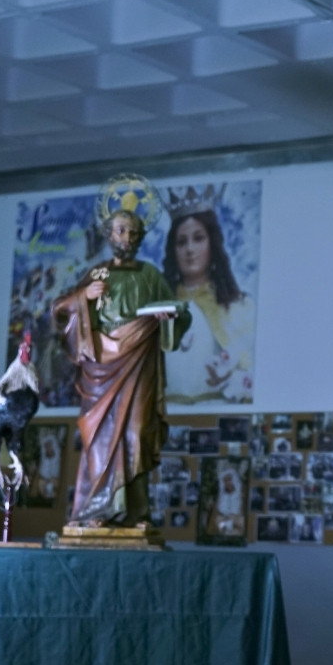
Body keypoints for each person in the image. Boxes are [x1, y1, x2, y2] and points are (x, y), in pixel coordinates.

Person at [52, 204, 191, 527]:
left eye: (132, 232)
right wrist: (83, 296)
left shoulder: (150, 275)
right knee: (99, 439)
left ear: (140, 237)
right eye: (120, 230)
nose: (126, 237)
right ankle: (97, 511)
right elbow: (60, 310)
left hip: (139, 362)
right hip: (100, 369)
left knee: (137, 433)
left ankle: (134, 513)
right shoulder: (96, 275)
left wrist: (168, 316)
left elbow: (180, 312)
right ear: (109, 234)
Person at [161, 185, 256, 403]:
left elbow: (253, 372)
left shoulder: (239, 307)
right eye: (182, 242)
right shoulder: (157, 310)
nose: (190, 250)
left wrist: (231, 378)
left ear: (211, 244)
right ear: (173, 250)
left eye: (198, 238)